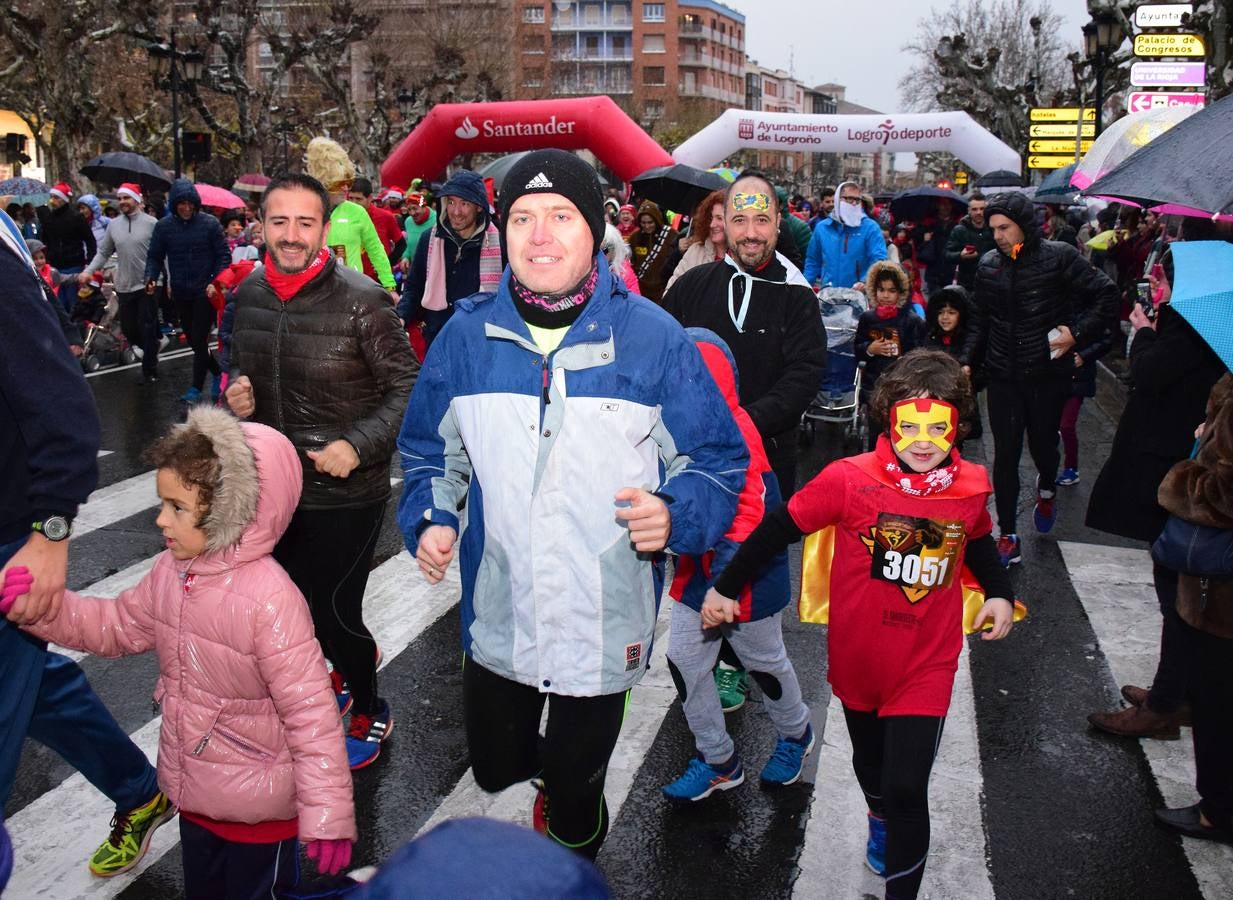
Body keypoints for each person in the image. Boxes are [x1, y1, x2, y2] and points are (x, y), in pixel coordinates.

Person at [397, 149, 747, 860]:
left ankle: (571, 864)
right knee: (500, 767)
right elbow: (431, 453)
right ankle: (544, 787)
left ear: (595, 231)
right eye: (522, 218)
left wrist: (676, 514)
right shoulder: (465, 337)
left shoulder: (653, 338)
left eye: (561, 216)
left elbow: (716, 460)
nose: (540, 236)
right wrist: (432, 517)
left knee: (575, 790)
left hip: (602, 617)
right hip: (500, 613)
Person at [703, 348, 1016, 900]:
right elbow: (780, 527)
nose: (923, 439)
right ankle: (877, 814)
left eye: (938, 425)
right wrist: (726, 588)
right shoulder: (849, 480)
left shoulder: (969, 487)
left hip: (927, 663)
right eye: (910, 424)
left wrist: (998, 593)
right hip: (859, 660)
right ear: (886, 419)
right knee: (873, 772)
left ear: (958, 426)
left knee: (906, 786)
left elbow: (981, 538)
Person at [6, 406, 357, 897]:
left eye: (177, 508)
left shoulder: (271, 602)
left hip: (259, 809)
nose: (160, 519)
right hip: (194, 793)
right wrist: (43, 610)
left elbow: (312, 715)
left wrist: (328, 814)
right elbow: (116, 626)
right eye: (163, 503)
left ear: (235, 512)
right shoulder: (172, 573)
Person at [226, 173, 417, 770]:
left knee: (335, 611)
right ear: (261, 226)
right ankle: (336, 668)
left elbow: (409, 387)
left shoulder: (363, 300)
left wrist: (357, 446)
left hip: (346, 490)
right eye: (278, 221)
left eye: (304, 222)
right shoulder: (251, 294)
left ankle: (367, 703)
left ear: (324, 228)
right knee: (291, 609)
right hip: (274, 488)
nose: (290, 235)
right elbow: (237, 364)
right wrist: (237, 393)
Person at [0, 211, 169, 879]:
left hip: (11, 536)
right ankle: (139, 790)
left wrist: (49, 533)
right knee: (35, 688)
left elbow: (62, 406)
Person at [661, 329, 814, 802]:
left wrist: (724, 587)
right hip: (699, 569)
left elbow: (751, 513)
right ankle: (717, 759)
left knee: (763, 663)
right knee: (685, 660)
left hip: (745, 574)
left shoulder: (733, 429)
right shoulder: (676, 425)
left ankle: (796, 734)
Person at [1086, 249, 1226, 739]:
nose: (1157, 281)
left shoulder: (1193, 323)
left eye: (1165, 273)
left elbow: (1149, 372)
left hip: (1176, 465)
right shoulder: (1205, 321)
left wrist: (1143, 330)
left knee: (1177, 588)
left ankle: (1167, 703)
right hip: (1179, 456)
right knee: (1178, 586)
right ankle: (1175, 690)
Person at [971, 192, 1118, 566]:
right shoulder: (988, 265)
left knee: (1042, 449)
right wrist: (966, 362)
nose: (998, 236)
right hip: (1003, 375)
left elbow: (1107, 295)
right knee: (1004, 457)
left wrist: (1076, 333)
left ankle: (1048, 488)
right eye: (993, 229)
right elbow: (980, 320)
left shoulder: (1060, 257)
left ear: (1025, 224)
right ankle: (1008, 535)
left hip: (1047, 375)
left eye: (1005, 228)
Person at [662, 170, 827, 502]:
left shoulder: (797, 295)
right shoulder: (692, 285)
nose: (751, 233)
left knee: (760, 553)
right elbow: (659, 356)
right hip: (695, 456)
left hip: (769, 459)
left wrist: (741, 423)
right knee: (698, 550)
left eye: (762, 220)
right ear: (723, 222)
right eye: (740, 220)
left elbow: (803, 377)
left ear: (779, 221)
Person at [1152, 374, 1233, 848]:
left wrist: (1187, 472)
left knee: (1218, 698)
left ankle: (1218, 811)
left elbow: (1224, 493)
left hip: (1222, 592)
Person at [144, 178, 230, 403]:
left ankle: (196, 387)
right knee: (192, 339)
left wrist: (216, 280)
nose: (186, 207)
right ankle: (218, 371)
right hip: (181, 291)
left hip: (206, 291)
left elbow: (223, 256)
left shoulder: (210, 224)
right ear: (174, 204)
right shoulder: (163, 227)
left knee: (200, 337)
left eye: (190, 203)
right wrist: (150, 277)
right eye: (181, 203)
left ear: (196, 203)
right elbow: (154, 256)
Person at [401, 169, 503, 350]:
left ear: (479, 206)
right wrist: (401, 316)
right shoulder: (430, 239)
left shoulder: (499, 244)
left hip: (482, 341)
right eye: (451, 202)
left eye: (464, 203)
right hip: (438, 338)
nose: (456, 212)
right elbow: (414, 287)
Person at [79, 183, 161, 384]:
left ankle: (149, 370)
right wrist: (89, 271)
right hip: (124, 285)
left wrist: (164, 280)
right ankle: (152, 346)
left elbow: (162, 254)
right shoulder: (114, 225)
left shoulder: (152, 223)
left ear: (137, 200)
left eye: (127, 198)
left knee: (147, 325)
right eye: (121, 198)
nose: (123, 202)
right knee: (130, 329)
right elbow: (104, 252)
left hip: (148, 284)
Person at [302, 139, 398, 299]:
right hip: (315, 293)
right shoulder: (305, 212)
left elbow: (375, 249)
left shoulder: (357, 212)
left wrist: (389, 286)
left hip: (353, 291)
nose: (346, 188)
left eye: (348, 182)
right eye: (340, 183)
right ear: (324, 183)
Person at [666, 189, 810, 293]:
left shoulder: (751, 256)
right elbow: (671, 293)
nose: (712, 224)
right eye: (710, 218)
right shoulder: (695, 251)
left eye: (719, 218)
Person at [856, 261, 927, 449]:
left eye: (891, 290)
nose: (885, 295)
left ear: (901, 292)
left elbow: (919, 353)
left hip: (902, 388)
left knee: (900, 435)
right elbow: (857, 349)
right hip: (874, 386)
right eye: (881, 289)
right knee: (875, 436)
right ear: (873, 290)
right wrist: (870, 349)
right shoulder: (868, 318)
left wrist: (904, 360)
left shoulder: (912, 321)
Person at [1056, 320, 1115, 486]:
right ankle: (1049, 467)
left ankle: (1071, 468)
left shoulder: (1092, 308)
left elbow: (1106, 339)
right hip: (1055, 374)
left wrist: (1084, 356)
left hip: (1078, 378)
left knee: (1066, 425)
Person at [803, 180, 887, 290]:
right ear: (838, 200)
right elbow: (813, 261)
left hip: (859, 296)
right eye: (849, 199)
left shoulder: (870, 227)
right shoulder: (822, 228)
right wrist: (804, 287)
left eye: (857, 200)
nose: (854, 203)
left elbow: (879, 259)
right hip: (828, 295)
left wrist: (865, 280)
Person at [924, 285, 982, 442]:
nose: (945, 317)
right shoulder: (931, 336)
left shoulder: (969, 340)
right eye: (941, 312)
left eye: (951, 313)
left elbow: (972, 356)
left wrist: (965, 365)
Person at [40, 181, 96, 312]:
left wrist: (89, 263)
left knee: (73, 303)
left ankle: (75, 328)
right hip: (54, 266)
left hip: (74, 265)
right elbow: (45, 240)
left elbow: (90, 240)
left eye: (57, 197)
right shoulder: (49, 218)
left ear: (64, 199)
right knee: (58, 303)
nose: (53, 201)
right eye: (52, 197)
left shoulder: (76, 217)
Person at [349, 177, 404, 285]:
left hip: (380, 281)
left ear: (370, 198)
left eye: (358, 199)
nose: (353, 203)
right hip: (352, 280)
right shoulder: (343, 217)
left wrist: (386, 265)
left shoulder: (385, 217)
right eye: (351, 198)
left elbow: (401, 244)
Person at [627, 200, 678, 303]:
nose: (646, 226)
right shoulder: (634, 238)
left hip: (663, 291)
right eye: (643, 222)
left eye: (650, 222)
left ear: (657, 220)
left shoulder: (671, 235)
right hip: (641, 292)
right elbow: (631, 264)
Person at [943, 192, 993, 290]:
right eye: (975, 209)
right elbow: (947, 254)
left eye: (982, 209)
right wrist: (961, 255)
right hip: (968, 283)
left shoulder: (994, 228)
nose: (978, 212)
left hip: (991, 281)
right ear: (969, 211)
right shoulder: (960, 230)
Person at [914, 197, 958, 296]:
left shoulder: (957, 225)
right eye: (943, 204)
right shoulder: (929, 224)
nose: (945, 207)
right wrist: (925, 240)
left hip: (951, 271)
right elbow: (918, 247)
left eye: (948, 204)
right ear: (937, 206)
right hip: (933, 272)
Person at [398, 190, 436, 274]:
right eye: (409, 209)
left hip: (434, 271)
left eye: (415, 208)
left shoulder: (437, 220)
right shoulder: (408, 221)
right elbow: (409, 244)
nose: (412, 213)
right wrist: (406, 257)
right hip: (416, 271)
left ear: (423, 206)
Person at [600, 222, 639, 293]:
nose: (599, 255)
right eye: (594, 250)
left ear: (614, 249)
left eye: (604, 251)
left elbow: (632, 300)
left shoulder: (623, 273)